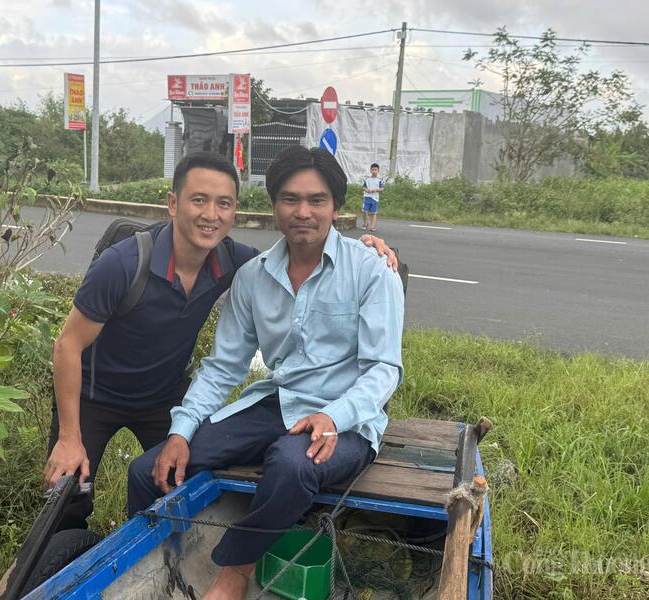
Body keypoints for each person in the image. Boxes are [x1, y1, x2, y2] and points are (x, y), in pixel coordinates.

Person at [44, 151, 398, 530]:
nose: (210, 215)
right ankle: (90, 564)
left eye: (223, 203)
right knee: (79, 492)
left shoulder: (243, 263)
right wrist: (70, 436)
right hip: (96, 396)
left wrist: (369, 250)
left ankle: (200, 564)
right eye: (199, 200)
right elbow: (68, 345)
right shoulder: (127, 264)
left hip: (166, 398)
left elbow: (304, 270)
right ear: (173, 203)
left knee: (184, 474)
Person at [127, 146, 405, 600]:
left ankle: (235, 571)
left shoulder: (371, 271)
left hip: (349, 418)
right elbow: (223, 367)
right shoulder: (254, 276)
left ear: (336, 207)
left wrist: (333, 417)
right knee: (146, 468)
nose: (303, 212)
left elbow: (382, 369)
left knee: (291, 464)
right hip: (278, 403)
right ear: (274, 205)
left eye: (317, 200)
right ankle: (152, 573)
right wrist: (181, 430)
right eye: (290, 199)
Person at [361, 162, 384, 232]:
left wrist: (376, 189)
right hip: (367, 197)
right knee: (365, 211)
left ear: (378, 171)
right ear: (370, 170)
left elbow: (382, 189)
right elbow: (363, 187)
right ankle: (365, 223)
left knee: (373, 213)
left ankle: (372, 226)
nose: (374, 171)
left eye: (375, 170)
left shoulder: (380, 180)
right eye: (372, 170)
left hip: (375, 198)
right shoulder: (367, 179)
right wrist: (367, 190)